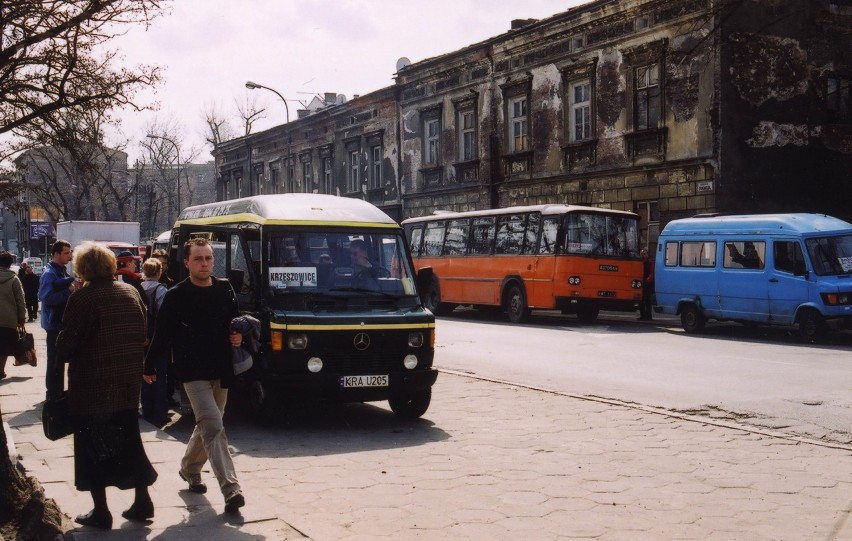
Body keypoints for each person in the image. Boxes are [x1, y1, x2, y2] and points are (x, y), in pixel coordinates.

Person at [56, 242, 157, 529]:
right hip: (126, 384)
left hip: (92, 389)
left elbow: (66, 346)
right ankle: (142, 500)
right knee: (130, 443)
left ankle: (101, 511)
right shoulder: (130, 292)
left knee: (91, 448)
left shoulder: (83, 298)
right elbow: (143, 332)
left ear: (83, 268)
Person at [144, 238, 245, 514]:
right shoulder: (177, 295)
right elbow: (161, 334)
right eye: (198, 259)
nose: (204, 264)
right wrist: (149, 365)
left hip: (221, 368)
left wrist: (237, 335)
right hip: (192, 371)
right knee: (213, 425)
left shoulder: (224, 288)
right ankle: (231, 488)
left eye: (208, 258)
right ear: (186, 262)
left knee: (207, 424)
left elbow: (235, 321)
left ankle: (189, 469)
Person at [39, 240, 75, 401]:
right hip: (54, 324)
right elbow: (46, 298)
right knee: (55, 361)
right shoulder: (50, 273)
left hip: (59, 323)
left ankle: (56, 392)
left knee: (58, 360)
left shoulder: (60, 271)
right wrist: (69, 291)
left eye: (70, 252)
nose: (70, 256)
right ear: (57, 253)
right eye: (66, 253)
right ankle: (53, 393)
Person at [139, 258, 169, 426]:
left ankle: (147, 410)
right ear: (159, 272)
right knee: (160, 375)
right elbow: (163, 316)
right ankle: (159, 414)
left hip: (142, 338)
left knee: (145, 374)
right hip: (157, 338)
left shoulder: (138, 288)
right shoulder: (161, 290)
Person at [0, 251, 27, 380]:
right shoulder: (14, 279)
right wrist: (22, 318)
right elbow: (20, 300)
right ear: (10, 264)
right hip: (8, 319)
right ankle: (0, 371)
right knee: (3, 346)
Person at [639, 247, 655, 321]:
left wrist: (648, 280)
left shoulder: (650, 262)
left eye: (644, 254)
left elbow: (652, 273)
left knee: (647, 300)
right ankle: (642, 315)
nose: (643, 256)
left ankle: (648, 315)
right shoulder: (640, 262)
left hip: (647, 284)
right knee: (641, 300)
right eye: (642, 254)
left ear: (647, 255)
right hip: (641, 283)